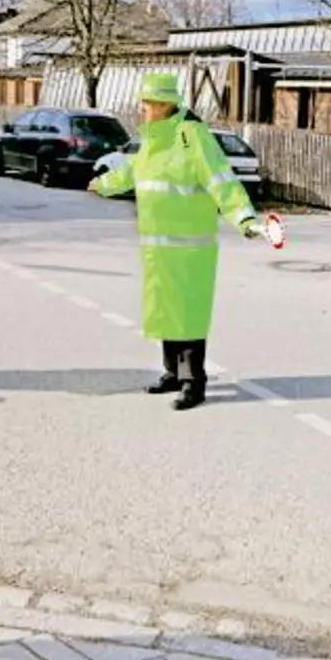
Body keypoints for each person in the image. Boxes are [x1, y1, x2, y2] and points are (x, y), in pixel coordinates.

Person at [89, 74, 265, 411]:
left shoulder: (192, 136)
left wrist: (244, 218)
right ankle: (172, 372)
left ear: (167, 103)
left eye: (151, 103)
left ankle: (193, 381)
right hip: (158, 246)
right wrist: (104, 183)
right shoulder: (154, 138)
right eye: (144, 103)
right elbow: (134, 171)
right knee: (166, 310)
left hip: (190, 246)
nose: (145, 109)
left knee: (188, 314)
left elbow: (221, 180)